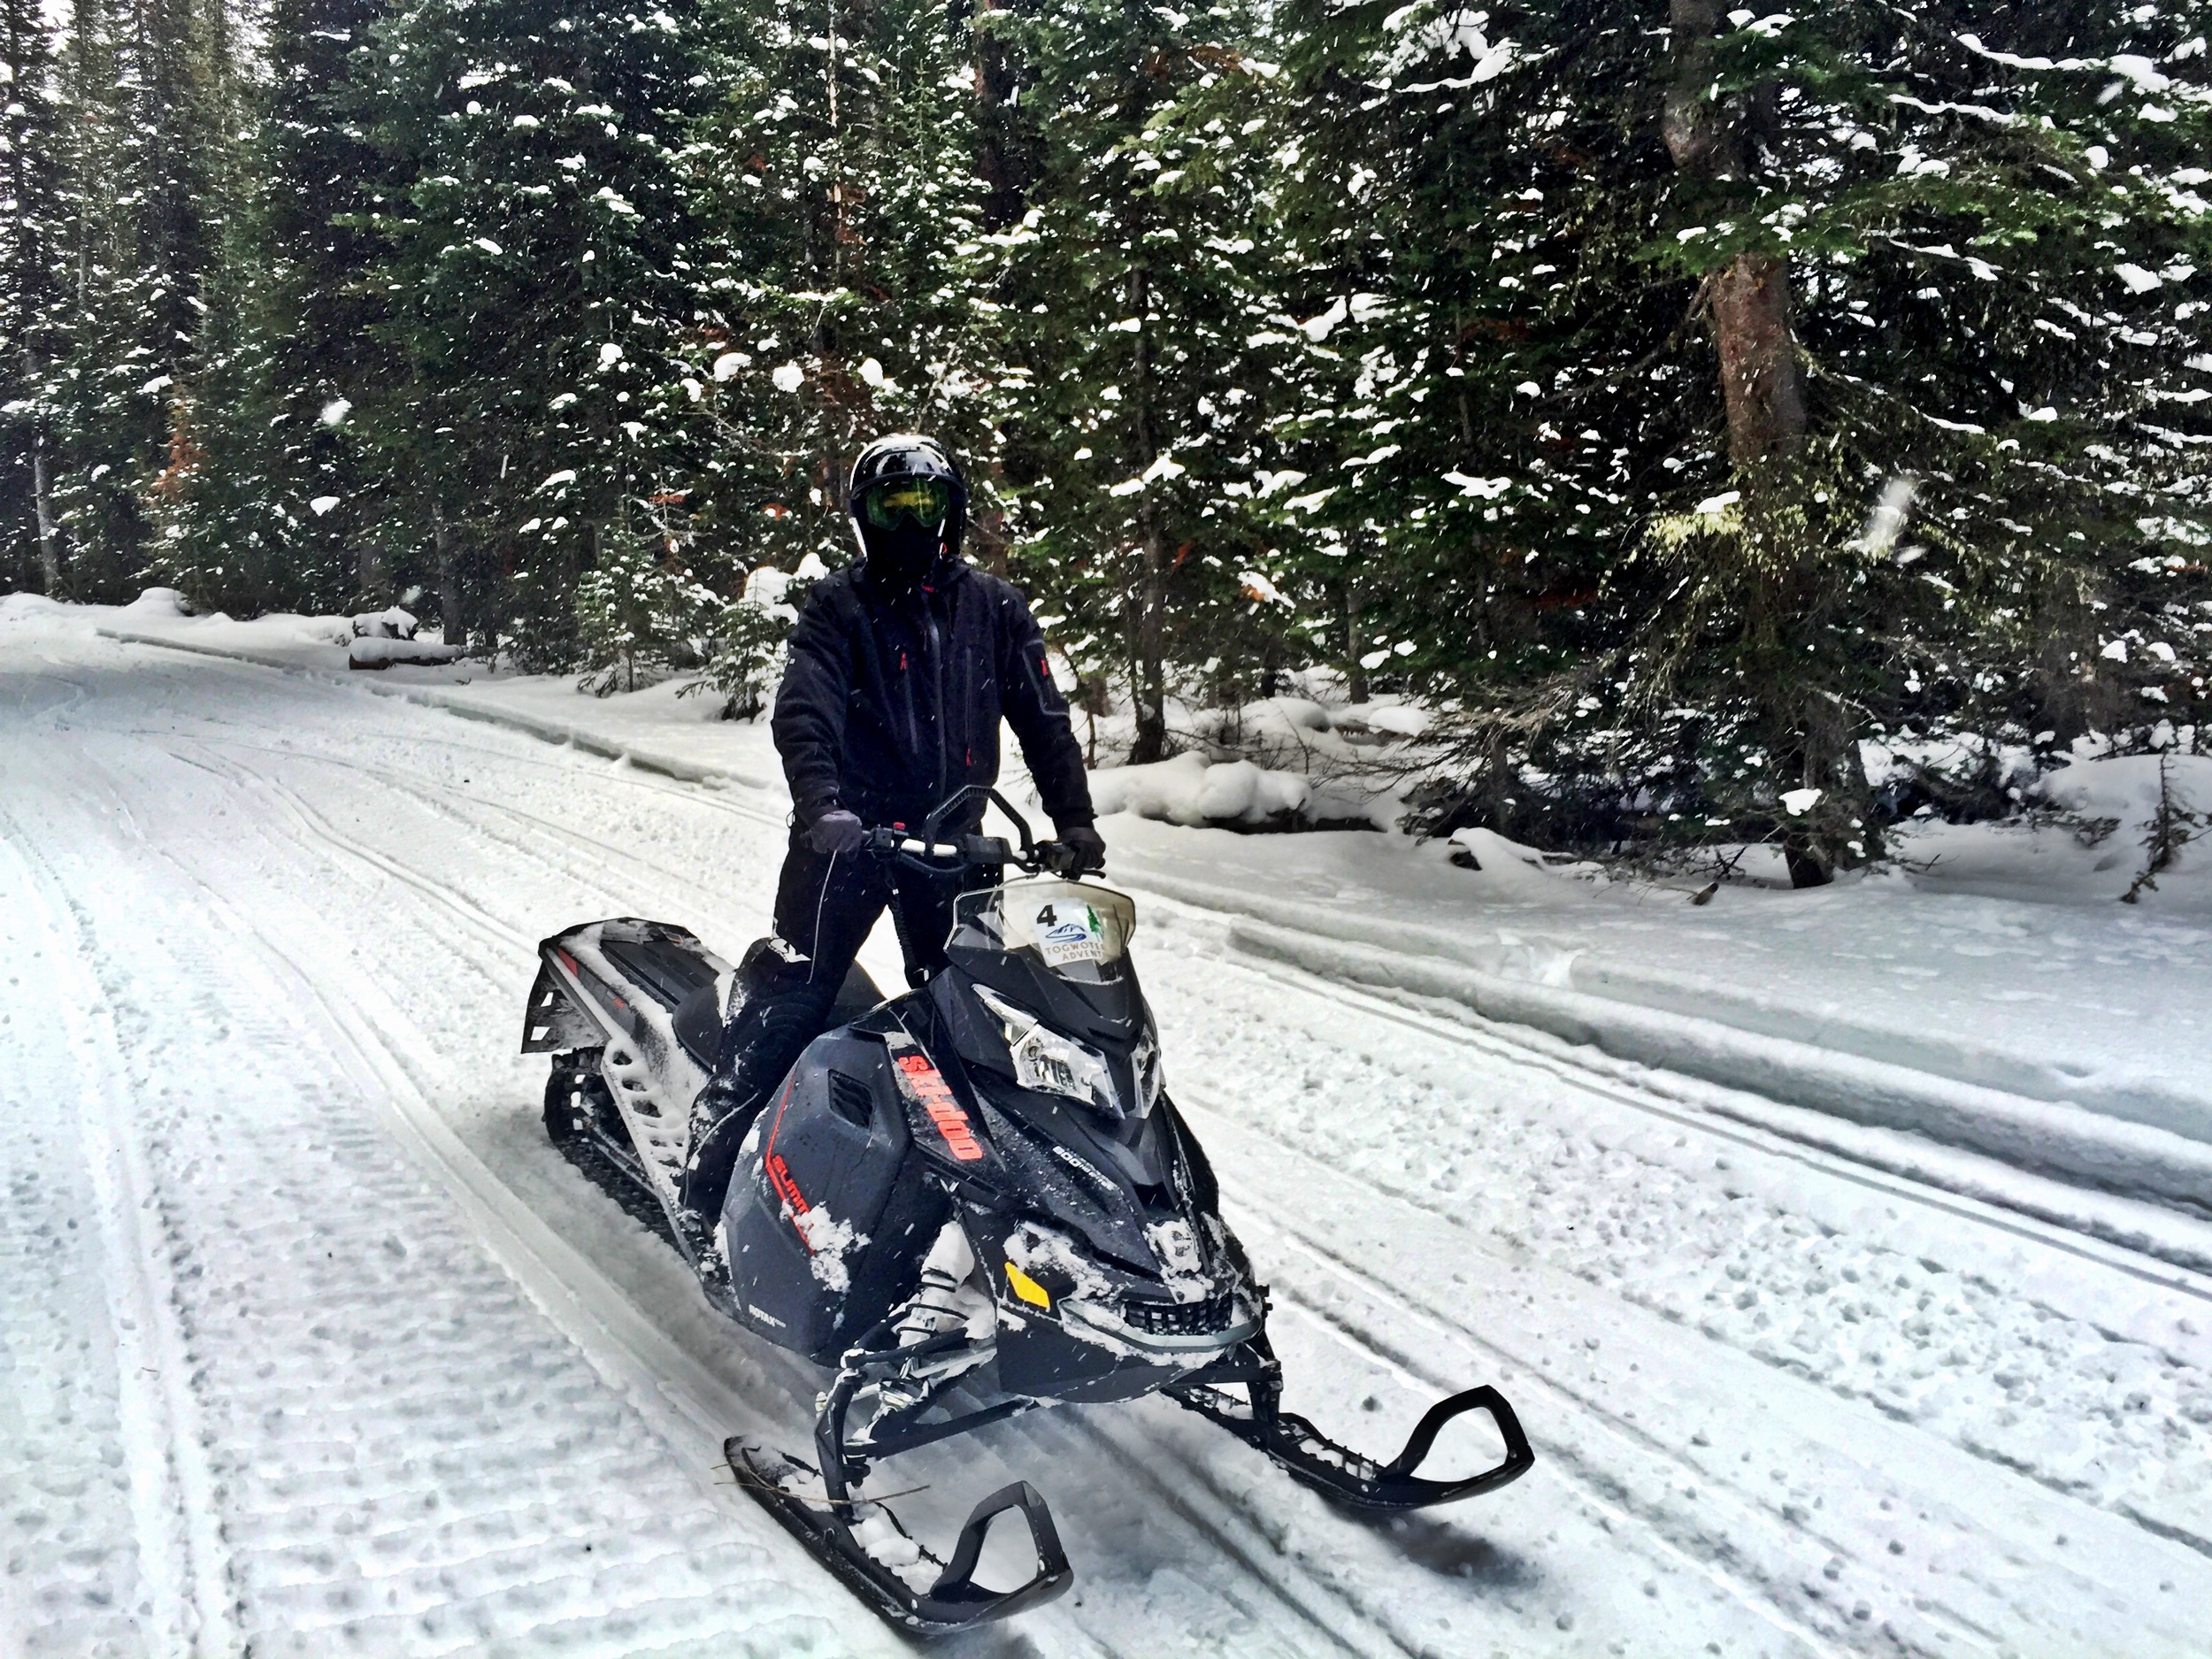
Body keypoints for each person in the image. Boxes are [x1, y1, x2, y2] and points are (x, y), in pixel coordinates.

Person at [680, 434, 1103, 1225]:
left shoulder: (995, 608)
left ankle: (992, 1193)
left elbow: (1045, 720)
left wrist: (1072, 818)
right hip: (852, 840)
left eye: (925, 505)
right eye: (891, 507)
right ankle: (710, 1174)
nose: (910, 523)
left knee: (980, 1014)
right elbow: (804, 709)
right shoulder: (839, 607)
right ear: (863, 517)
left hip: (957, 844)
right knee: (797, 994)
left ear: (953, 512)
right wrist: (823, 804)